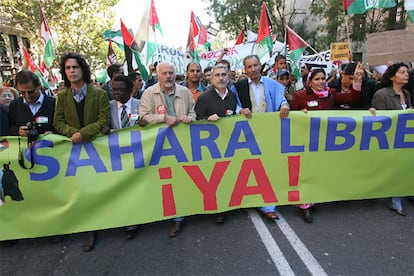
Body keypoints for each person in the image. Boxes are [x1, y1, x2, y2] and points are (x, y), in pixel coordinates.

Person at [54, 53, 110, 252]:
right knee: (81, 188)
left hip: (97, 148)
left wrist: (84, 133)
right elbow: (58, 122)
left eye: (75, 67)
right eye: (68, 68)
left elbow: (104, 120)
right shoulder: (61, 97)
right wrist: (74, 134)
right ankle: (89, 228)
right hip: (75, 149)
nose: (72, 71)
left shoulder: (99, 94)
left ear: (83, 70)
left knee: (99, 185)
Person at [290, 68, 362, 222]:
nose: (321, 82)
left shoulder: (331, 94)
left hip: (327, 141)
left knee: (321, 170)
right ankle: (305, 206)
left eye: (323, 78)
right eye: (317, 79)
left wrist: (357, 80)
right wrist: (298, 114)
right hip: (307, 142)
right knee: (307, 172)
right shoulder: (301, 96)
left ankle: (317, 198)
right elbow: (290, 115)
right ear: (310, 82)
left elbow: (352, 98)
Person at [231, 54, 290, 221]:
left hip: (269, 133)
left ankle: (268, 205)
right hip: (247, 133)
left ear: (260, 66)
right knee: (251, 167)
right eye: (249, 66)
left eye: (255, 65)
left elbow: (282, 100)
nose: (253, 69)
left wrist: (284, 105)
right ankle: (251, 198)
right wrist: (240, 110)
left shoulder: (272, 84)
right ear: (245, 69)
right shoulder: (238, 87)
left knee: (268, 167)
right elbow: (232, 104)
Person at [139, 61, 195, 237]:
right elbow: (143, 116)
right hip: (161, 145)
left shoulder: (185, 92)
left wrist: (189, 118)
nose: (168, 76)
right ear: (157, 75)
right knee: (165, 180)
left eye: (171, 72)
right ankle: (164, 212)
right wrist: (163, 118)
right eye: (164, 73)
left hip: (182, 144)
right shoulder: (149, 93)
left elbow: (194, 112)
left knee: (182, 178)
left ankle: (179, 218)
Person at [195, 64, 237, 224]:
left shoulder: (233, 96)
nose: (220, 78)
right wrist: (206, 121)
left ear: (228, 77)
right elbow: (196, 120)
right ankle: (217, 209)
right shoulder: (204, 98)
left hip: (229, 146)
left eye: (223, 75)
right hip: (210, 148)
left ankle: (226, 206)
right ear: (211, 78)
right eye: (217, 75)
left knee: (227, 177)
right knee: (213, 179)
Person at [370, 62, 412, 216]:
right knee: (393, 168)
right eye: (402, 72)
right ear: (393, 77)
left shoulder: (406, 94)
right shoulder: (382, 94)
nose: (406, 74)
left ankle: (403, 192)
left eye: (407, 72)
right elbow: (379, 121)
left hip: (403, 138)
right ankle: (394, 199)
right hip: (388, 139)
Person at [8, 70, 55, 136]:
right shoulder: (14, 105)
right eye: (22, 92)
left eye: (31, 92)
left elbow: (61, 125)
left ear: (39, 86)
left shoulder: (53, 103)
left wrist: (53, 133)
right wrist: (18, 131)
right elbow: (9, 127)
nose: (27, 96)